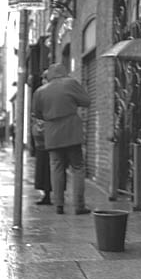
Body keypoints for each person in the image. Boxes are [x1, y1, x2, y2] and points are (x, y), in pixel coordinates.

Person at [32, 63, 91, 215]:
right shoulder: (70, 83)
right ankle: (79, 205)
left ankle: (59, 205)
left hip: (52, 134)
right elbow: (86, 101)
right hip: (71, 131)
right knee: (77, 168)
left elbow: (37, 113)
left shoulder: (40, 91)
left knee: (56, 169)